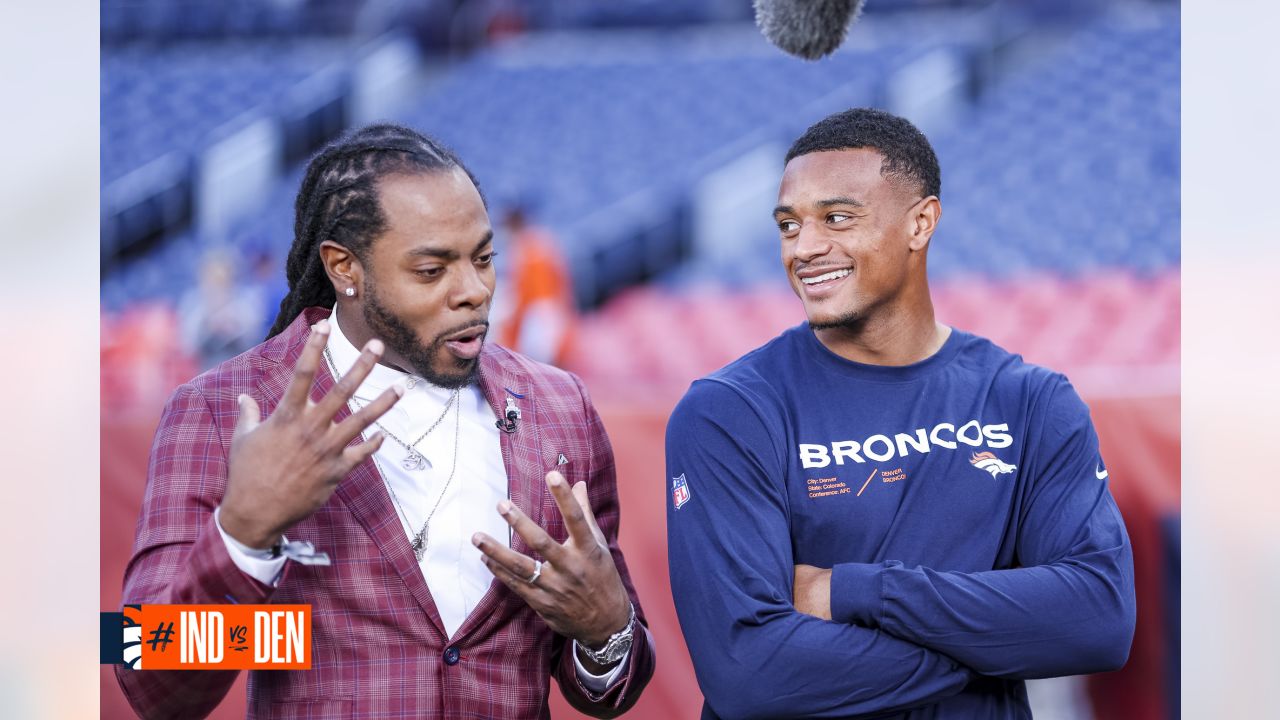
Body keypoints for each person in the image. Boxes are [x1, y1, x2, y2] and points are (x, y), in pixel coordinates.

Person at [117, 124, 655, 719]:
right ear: (346, 269)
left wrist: (606, 631)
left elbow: (607, 687)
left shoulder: (559, 407)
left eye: (483, 259)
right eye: (432, 270)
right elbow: (149, 682)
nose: (474, 291)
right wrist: (244, 536)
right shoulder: (224, 408)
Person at [665, 108, 1135, 719]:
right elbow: (751, 674)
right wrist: (998, 647)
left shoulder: (1030, 401)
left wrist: (854, 591)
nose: (804, 249)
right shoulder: (728, 411)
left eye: (837, 218)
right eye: (788, 225)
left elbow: (1098, 618)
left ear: (921, 223)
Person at [496, 204, 577, 367]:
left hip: (539, 312)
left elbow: (526, 291)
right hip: (547, 309)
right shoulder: (541, 240)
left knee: (540, 364)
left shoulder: (528, 246)